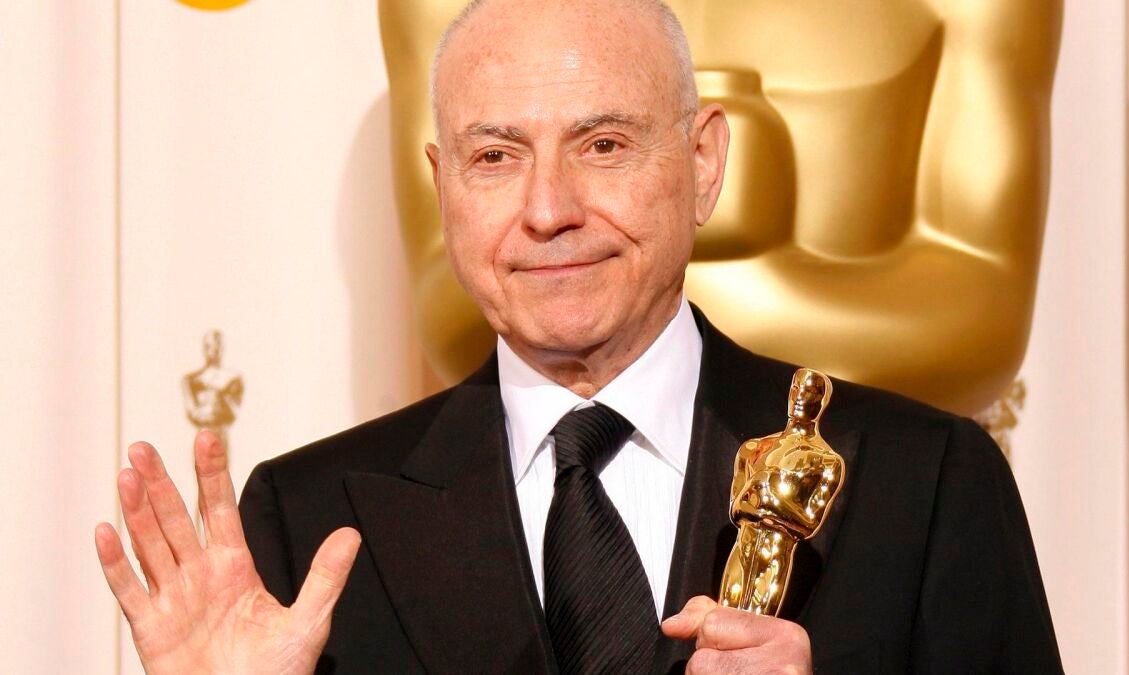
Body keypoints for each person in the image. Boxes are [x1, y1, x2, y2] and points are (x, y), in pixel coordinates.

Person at [94, 0, 1062, 672]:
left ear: (702, 162)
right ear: (443, 186)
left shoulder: (925, 484)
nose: (548, 209)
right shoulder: (309, 520)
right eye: (495, 156)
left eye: (603, 145)